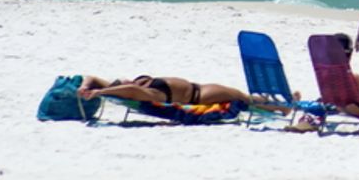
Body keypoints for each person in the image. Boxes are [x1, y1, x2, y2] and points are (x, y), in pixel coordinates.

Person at [77, 75, 256, 106]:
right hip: (200, 95)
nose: (126, 79)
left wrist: (83, 87)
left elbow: (91, 77)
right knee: (244, 99)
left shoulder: (139, 85)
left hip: (198, 87)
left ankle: (275, 105)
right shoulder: (142, 92)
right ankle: (280, 108)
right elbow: (130, 89)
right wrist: (100, 93)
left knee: (244, 96)